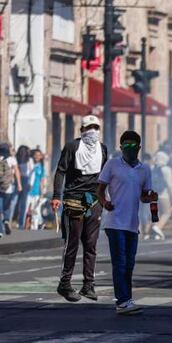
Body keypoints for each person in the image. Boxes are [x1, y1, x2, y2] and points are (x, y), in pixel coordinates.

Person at [96, 131, 156, 315]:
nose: (129, 150)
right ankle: (122, 301)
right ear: (121, 147)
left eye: (133, 146)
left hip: (132, 223)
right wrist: (104, 202)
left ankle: (127, 299)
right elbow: (99, 190)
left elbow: (144, 197)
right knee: (120, 263)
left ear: (139, 147)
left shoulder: (144, 169)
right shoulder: (112, 165)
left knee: (129, 264)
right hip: (114, 222)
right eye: (125, 146)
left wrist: (152, 197)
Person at [51, 115, 109, 302]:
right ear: (82, 130)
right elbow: (60, 171)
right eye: (88, 127)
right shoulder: (72, 147)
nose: (92, 131)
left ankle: (88, 285)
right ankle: (65, 284)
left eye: (95, 127)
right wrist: (56, 196)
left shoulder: (103, 149)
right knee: (72, 244)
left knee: (91, 245)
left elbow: (106, 175)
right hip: (74, 200)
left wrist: (108, 199)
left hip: (94, 201)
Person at [24, 149, 47, 230]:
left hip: (36, 192)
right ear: (33, 156)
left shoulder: (41, 168)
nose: (37, 156)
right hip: (28, 192)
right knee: (27, 210)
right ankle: (27, 226)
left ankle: (36, 227)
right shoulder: (30, 164)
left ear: (41, 157)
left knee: (35, 210)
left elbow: (42, 181)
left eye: (39, 155)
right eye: (35, 155)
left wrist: (43, 192)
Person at [0, 144, 18, 236]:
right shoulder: (12, 159)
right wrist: (19, 184)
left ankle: (0, 230)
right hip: (8, 187)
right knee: (6, 207)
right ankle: (6, 221)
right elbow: (17, 171)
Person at [13, 145, 32, 230]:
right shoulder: (28, 160)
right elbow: (30, 172)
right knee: (22, 203)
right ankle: (20, 223)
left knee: (16, 202)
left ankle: (15, 221)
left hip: (18, 180)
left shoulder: (16, 159)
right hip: (24, 180)